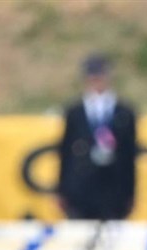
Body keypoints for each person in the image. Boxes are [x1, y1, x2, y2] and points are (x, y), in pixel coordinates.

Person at [57, 53, 138, 220]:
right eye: (93, 76)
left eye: (100, 75)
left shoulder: (124, 112)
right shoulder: (75, 112)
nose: (97, 80)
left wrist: (131, 192)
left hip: (114, 188)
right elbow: (65, 152)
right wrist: (62, 190)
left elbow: (130, 155)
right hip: (82, 188)